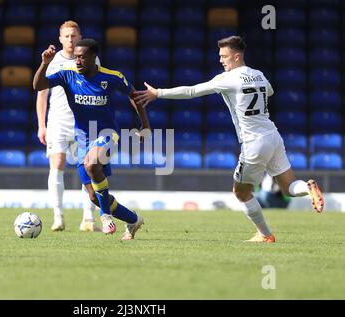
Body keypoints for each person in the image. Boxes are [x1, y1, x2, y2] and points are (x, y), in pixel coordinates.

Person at [132, 35, 324, 243]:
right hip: (273, 136)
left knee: (241, 192)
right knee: (289, 186)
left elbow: (192, 91)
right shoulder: (258, 74)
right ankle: (308, 186)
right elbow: (270, 91)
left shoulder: (227, 79)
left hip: (254, 143)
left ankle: (265, 234)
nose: (221, 60)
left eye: (224, 56)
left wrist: (158, 93)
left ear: (237, 56)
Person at [33, 38, 151, 240]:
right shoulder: (67, 75)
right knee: (93, 196)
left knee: (91, 163)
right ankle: (133, 220)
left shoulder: (112, 77)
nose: (77, 61)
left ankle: (104, 216)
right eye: (76, 57)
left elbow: (135, 96)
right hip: (82, 139)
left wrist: (145, 126)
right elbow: (38, 85)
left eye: (81, 57)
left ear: (94, 57)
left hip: (107, 134)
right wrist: (44, 63)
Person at [36, 21, 101, 232]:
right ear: (60, 38)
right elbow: (42, 94)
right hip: (58, 121)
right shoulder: (53, 62)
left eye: (74, 35)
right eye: (66, 36)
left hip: (83, 121)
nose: (70, 40)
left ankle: (88, 219)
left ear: (80, 36)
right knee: (57, 164)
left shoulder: (92, 59)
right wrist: (41, 125)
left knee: (87, 167)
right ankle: (58, 217)